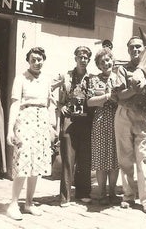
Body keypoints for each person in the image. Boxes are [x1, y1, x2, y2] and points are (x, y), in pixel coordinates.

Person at [6, 47, 52, 220]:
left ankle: (29, 203)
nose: (36, 62)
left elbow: (49, 105)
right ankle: (13, 204)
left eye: (39, 59)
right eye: (33, 59)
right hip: (25, 120)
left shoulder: (46, 79)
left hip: (42, 121)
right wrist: (9, 129)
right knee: (23, 161)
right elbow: (15, 104)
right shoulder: (20, 78)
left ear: (43, 59)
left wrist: (51, 126)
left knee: (37, 163)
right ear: (28, 61)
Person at [113, 36, 146, 214]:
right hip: (124, 114)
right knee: (125, 158)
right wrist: (133, 90)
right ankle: (128, 196)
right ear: (128, 50)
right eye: (132, 48)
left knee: (144, 157)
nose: (135, 50)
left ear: (144, 49)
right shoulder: (123, 70)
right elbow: (118, 95)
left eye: (138, 47)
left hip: (144, 116)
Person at [53, 46, 94, 207]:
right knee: (68, 159)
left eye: (86, 58)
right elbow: (48, 87)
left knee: (85, 159)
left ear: (89, 60)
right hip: (69, 120)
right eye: (80, 57)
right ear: (75, 58)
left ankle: (84, 193)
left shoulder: (92, 78)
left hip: (86, 121)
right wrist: (59, 106)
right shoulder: (66, 76)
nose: (83, 60)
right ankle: (65, 196)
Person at [87, 47, 120, 205]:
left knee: (115, 159)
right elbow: (89, 101)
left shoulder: (119, 78)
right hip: (100, 122)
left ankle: (113, 192)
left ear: (112, 61)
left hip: (118, 121)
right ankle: (101, 192)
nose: (106, 63)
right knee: (101, 159)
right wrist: (107, 97)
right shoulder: (94, 80)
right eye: (102, 62)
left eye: (108, 60)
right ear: (99, 65)